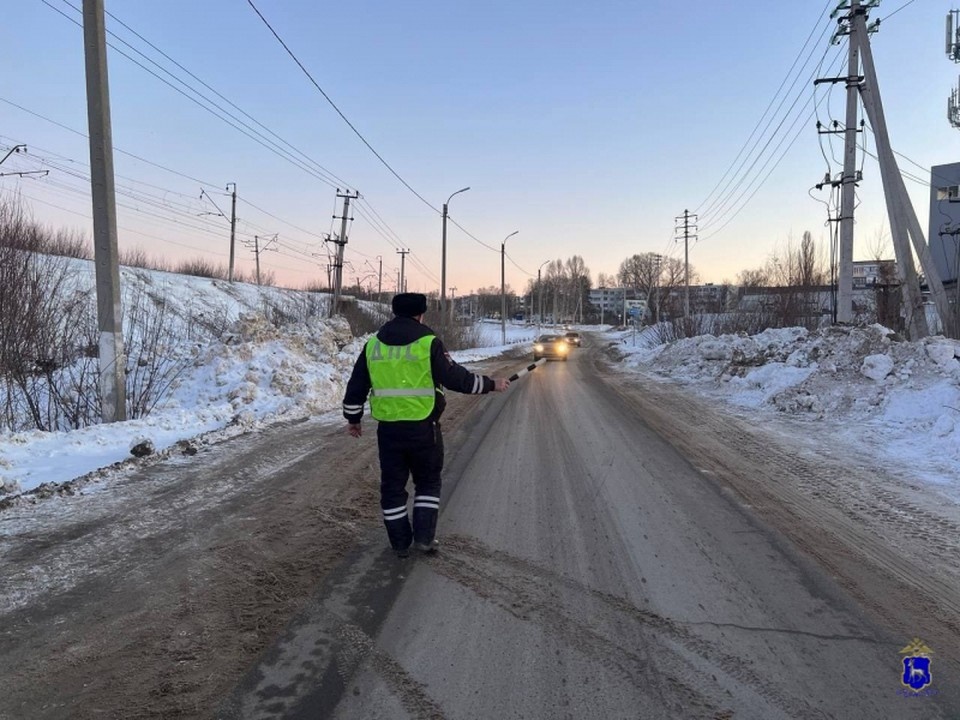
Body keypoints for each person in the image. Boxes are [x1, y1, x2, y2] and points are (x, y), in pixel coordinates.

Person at [343, 293, 510, 557]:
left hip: (389, 431)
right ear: (421, 314)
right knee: (428, 483)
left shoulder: (373, 345)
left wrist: (353, 418)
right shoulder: (428, 343)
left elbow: (356, 386)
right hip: (423, 428)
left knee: (392, 487)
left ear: (394, 312)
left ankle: (399, 543)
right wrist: (491, 384)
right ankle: (423, 538)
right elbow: (456, 378)